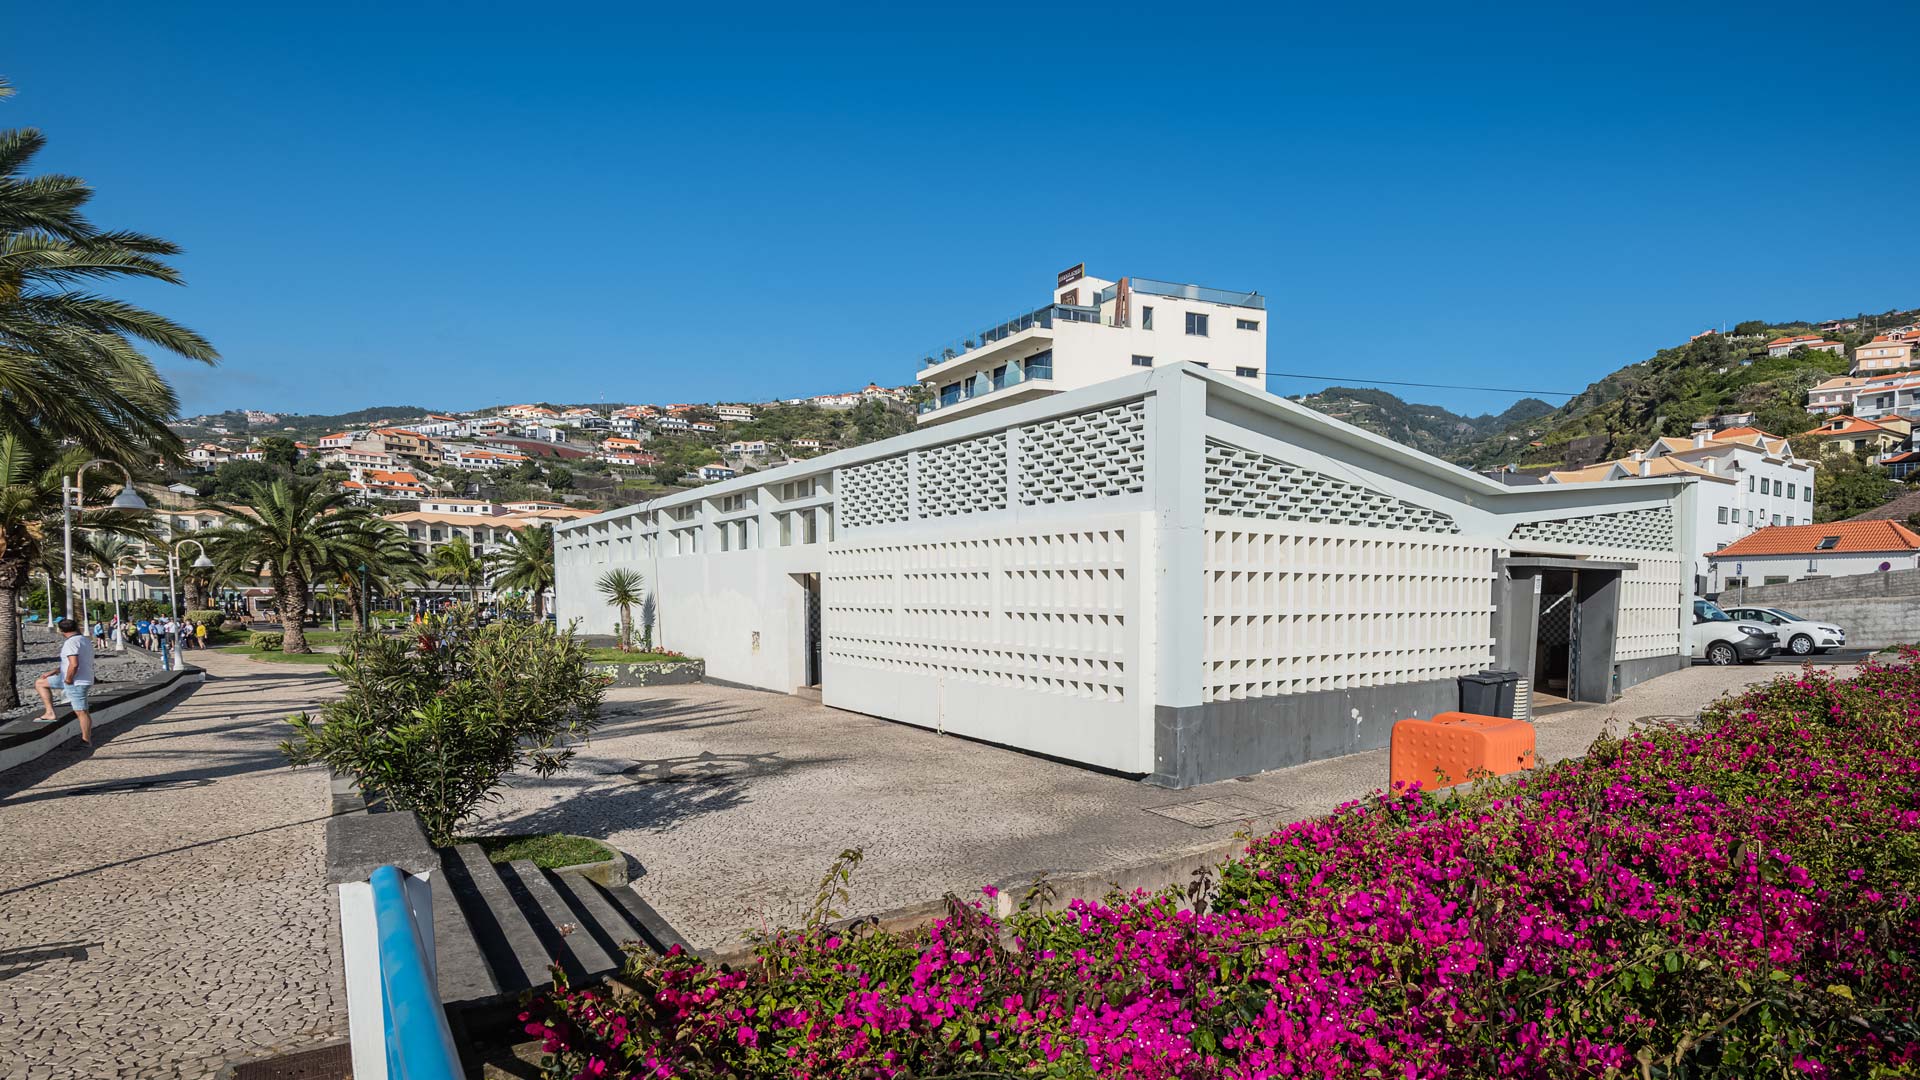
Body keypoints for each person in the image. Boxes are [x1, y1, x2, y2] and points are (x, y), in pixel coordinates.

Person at [35, 618, 96, 749]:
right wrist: (53, 671)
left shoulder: (71, 643)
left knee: (81, 711)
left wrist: (68, 679)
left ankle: (86, 741)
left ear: (61, 630)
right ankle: (50, 713)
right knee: (40, 683)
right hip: (75, 678)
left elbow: (74, 664)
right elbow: (70, 663)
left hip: (76, 681)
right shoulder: (84, 640)